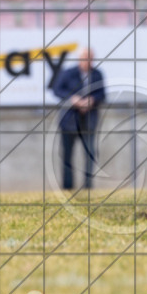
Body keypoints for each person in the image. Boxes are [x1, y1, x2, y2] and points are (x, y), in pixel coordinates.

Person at [51, 49, 106, 191]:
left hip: (89, 120)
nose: (87, 61)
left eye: (90, 58)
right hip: (69, 120)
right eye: (84, 58)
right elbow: (57, 89)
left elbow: (102, 93)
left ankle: (88, 186)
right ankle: (68, 187)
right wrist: (73, 99)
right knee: (67, 156)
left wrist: (91, 100)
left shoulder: (97, 74)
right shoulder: (68, 73)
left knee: (90, 154)